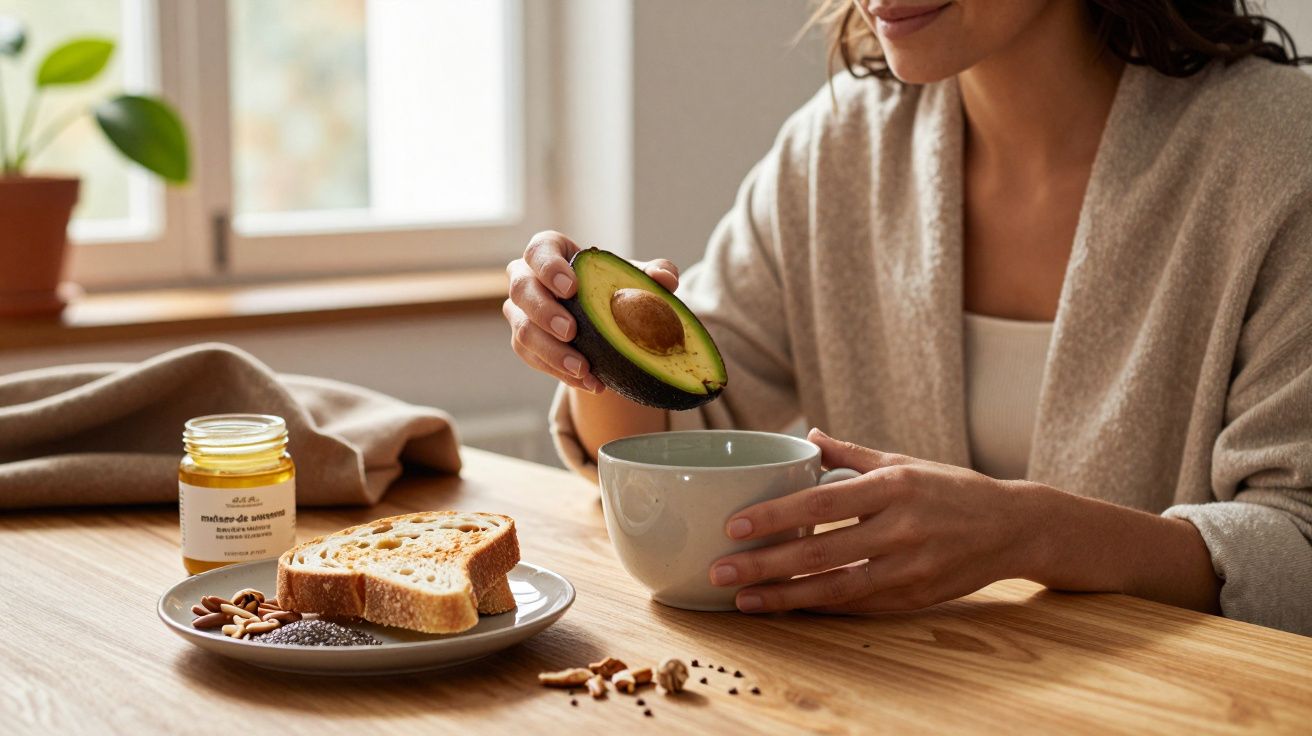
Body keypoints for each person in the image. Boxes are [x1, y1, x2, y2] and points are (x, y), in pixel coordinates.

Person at [503, 0, 1312, 635]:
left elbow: (1295, 551)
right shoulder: (834, 151)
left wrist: (1027, 532)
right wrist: (586, 342)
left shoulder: (1280, 157)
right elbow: (673, 447)